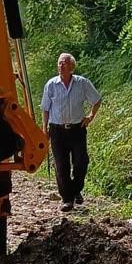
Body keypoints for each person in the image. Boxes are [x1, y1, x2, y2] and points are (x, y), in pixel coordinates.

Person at [41, 53, 102, 212]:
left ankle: (75, 190)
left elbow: (96, 100)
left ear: (72, 67)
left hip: (77, 129)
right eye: (59, 63)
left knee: (81, 162)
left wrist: (90, 117)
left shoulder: (82, 83)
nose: (61, 66)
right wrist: (44, 128)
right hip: (57, 130)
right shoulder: (51, 85)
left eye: (64, 63)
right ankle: (67, 199)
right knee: (61, 166)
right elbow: (45, 109)